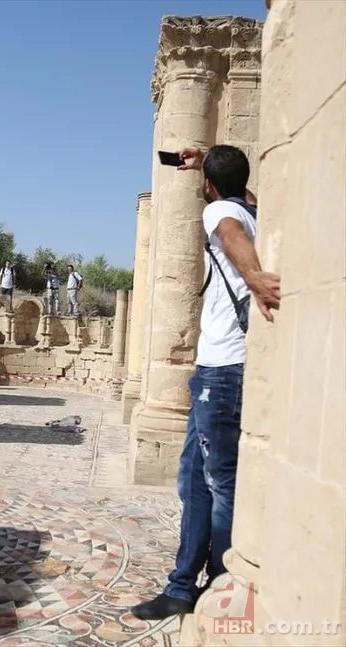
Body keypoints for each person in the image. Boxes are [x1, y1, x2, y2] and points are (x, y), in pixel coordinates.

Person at [131, 145, 280, 621]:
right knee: (192, 477)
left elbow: (229, 230)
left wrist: (255, 278)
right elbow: (242, 205)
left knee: (219, 482)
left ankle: (222, 585)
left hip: (224, 369)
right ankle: (180, 585)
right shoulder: (253, 207)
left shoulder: (221, 211)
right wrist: (211, 161)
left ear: (210, 187)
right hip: (214, 370)